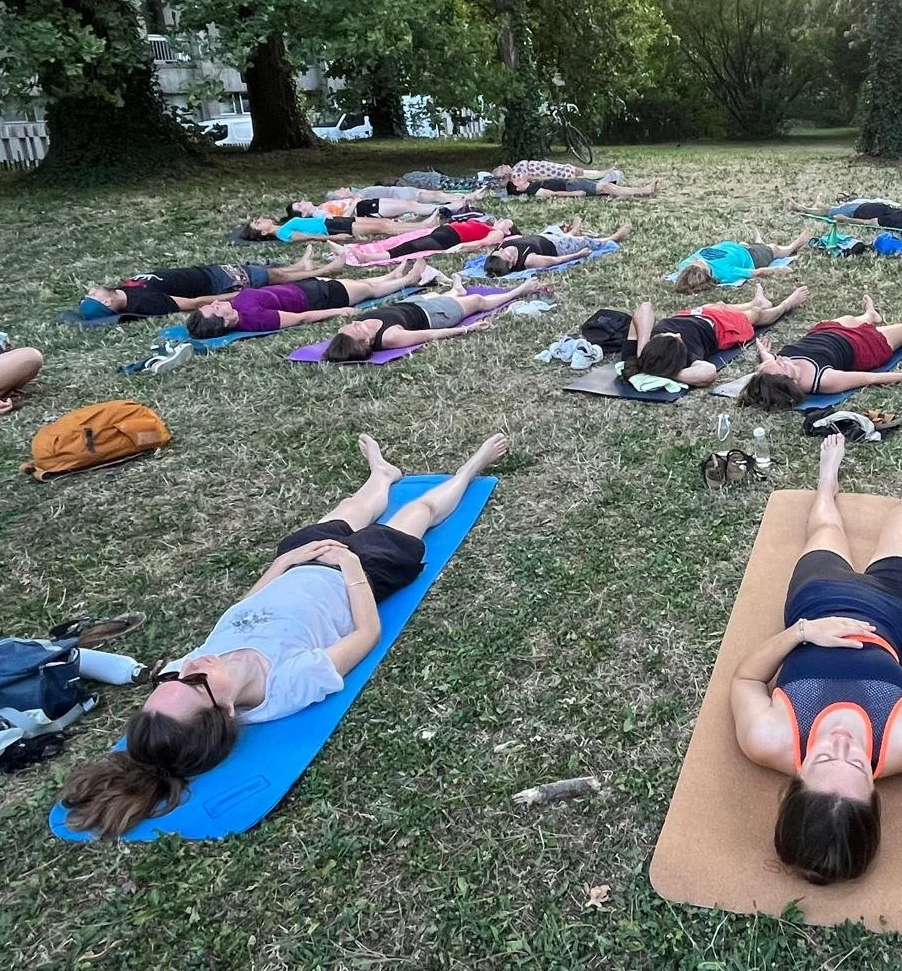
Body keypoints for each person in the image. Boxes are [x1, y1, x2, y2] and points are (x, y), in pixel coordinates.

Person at [56, 432, 510, 838]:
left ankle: (382, 475)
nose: (189, 665)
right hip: (364, 574)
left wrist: (283, 564)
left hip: (298, 565)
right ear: (226, 710)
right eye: (192, 681)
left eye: (170, 678)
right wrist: (350, 566)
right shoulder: (287, 685)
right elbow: (368, 633)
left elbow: (240, 613)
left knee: (351, 509)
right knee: (419, 511)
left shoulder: (195, 672)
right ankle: (470, 469)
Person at [730, 435, 902, 885]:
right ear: (875, 793)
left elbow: (746, 680)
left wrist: (803, 632)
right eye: (855, 763)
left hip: (817, 601)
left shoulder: (768, 738)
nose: (840, 743)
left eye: (821, 760)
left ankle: (827, 483)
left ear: (795, 780)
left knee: (824, 530)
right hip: (893, 614)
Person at [736, 295, 902, 410]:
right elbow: (871, 378)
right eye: (781, 363)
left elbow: (769, 362)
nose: (781, 357)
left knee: (850, 319)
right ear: (789, 380)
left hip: (826, 332)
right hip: (861, 346)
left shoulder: (774, 370)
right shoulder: (823, 380)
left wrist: (762, 350)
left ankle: (870, 316)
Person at [623, 284, 812, 386]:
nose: (678, 334)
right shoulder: (686, 359)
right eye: (676, 338)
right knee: (755, 315)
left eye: (668, 335)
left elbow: (645, 307)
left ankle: (756, 301)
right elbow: (708, 373)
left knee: (718, 306)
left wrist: (642, 351)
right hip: (719, 328)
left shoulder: (642, 350)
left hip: (694, 314)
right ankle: (786, 305)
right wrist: (669, 372)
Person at [77, 249, 346, 320]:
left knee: (266, 272)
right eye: (93, 295)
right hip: (216, 281)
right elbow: (193, 303)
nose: (92, 290)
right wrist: (238, 295)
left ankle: (300, 266)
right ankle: (326, 270)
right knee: (271, 278)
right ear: (108, 302)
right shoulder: (145, 302)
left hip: (205, 272)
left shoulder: (124, 289)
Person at [322, 278, 546, 361]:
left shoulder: (351, 333)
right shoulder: (390, 337)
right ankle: (519, 291)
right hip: (436, 314)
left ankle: (456, 291)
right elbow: (430, 335)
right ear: (365, 342)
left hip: (414, 304)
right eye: (356, 329)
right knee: (478, 300)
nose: (354, 323)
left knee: (446, 294)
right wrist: (468, 329)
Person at [185, 262, 425, 339]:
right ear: (224, 322)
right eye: (214, 309)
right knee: (368, 290)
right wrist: (338, 311)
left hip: (303, 287)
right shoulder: (256, 320)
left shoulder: (237, 306)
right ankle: (408, 280)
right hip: (318, 297)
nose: (216, 304)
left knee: (360, 284)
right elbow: (301, 318)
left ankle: (391, 276)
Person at [673, 229, 812, 294]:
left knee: (754, 244)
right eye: (698, 263)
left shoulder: (686, 265)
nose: (696, 260)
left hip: (738, 247)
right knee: (774, 249)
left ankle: (759, 242)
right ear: (704, 271)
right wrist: (778, 270)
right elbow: (756, 272)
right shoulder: (725, 272)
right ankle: (794, 246)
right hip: (753, 256)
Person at [480, 223, 631, 278]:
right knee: (585, 241)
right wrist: (579, 255)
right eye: (506, 256)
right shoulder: (529, 260)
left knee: (554, 229)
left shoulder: (498, 251)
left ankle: (571, 232)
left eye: (498, 252)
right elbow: (557, 261)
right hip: (558, 246)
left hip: (542, 237)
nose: (503, 251)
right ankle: (612, 238)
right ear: (511, 264)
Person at [336, 219, 516, 265]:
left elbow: (481, 243)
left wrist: (461, 246)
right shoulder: (488, 225)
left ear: (508, 231)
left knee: (409, 247)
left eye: (507, 222)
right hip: (445, 232)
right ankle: (356, 252)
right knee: (404, 242)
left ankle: (369, 258)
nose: (502, 220)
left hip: (449, 238)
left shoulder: (498, 233)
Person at [239, 213, 423, 243]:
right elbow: (308, 237)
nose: (260, 219)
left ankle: (422, 226)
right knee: (382, 228)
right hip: (331, 229)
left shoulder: (282, 225)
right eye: (258, 223)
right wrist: (334, 238)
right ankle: (422, 230)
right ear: (263, 232)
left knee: (383, 223)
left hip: (331, 221)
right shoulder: (283, 233)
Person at [286, 195, 470, 221]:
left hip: (366, 205)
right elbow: (341, 221)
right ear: (303, 213)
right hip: (365, 209)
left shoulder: (320, 207)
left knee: (410, 206)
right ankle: (448, 208)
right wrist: (354, 202)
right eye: (299, 205)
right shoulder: (319, 214)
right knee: (410, 206)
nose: (303, 201)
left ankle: (446, 208)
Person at [797, 198, 902, 231]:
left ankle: (801, 208)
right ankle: (820, 205)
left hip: (856, 212)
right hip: (864, 205)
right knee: (833, 208)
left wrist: (846, 220)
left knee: (828, 212)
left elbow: (869, 222)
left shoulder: (896, 221)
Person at [503, 171, 655, 200]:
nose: (519, 177)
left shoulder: (532, 184)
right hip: (572, 187)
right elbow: (554, 194)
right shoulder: (533, 190)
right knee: (608, 188)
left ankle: (642, 190)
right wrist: (575, 194)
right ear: (517, 188)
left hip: (572, 183)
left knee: (607, 187)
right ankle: (643, 191)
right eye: (516, 179)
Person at [326, 184, 484, 205]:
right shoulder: (357, 197)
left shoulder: (358, 192)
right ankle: (468, 197)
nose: (343, 188)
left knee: (436, 194)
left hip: (401, 192)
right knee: (435, 197)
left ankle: (467, 196)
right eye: (340, 190)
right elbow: (357, 200)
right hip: (401, 196)